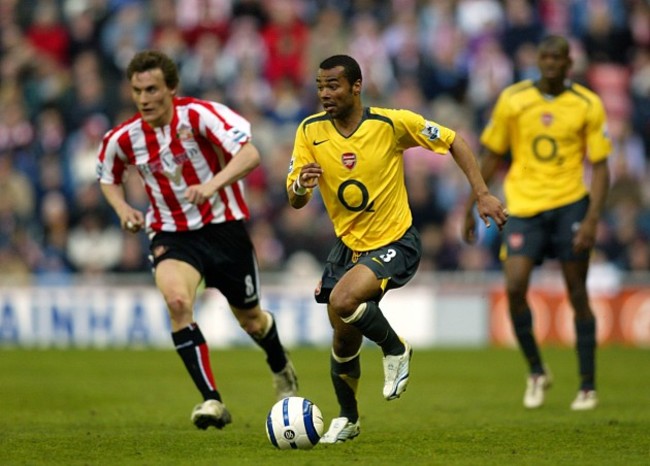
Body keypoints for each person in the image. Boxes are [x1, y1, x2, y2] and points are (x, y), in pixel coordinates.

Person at [287, 54, 508, 443]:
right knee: (342, 337)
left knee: (342, 301)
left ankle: (395, 348)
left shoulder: (391, 123)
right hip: (347, 248)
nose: (325, 94)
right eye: (320, 86)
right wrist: (302, 185)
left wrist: (483, 193)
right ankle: (348, 418)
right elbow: (295, 200)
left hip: (395, 241)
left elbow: (454, 140)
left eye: (333, 85)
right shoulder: (309, 131)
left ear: (356, 86)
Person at [96, 50, 298, 430]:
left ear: (172, 88)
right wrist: (123, 209)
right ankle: (211, 400)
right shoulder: (123, 138)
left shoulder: (201, 116)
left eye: (153, 89)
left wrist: (212, 185)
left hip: (224, 228)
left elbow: (250, 154)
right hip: (171, 233)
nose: (144, 99)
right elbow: (107, 176)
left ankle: (280, 366)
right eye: (137, 90)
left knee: (252, 321)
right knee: (177, 301)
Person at [463, 35, 611, 411]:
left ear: (568, 64)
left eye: (556, 58)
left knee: (577, 292)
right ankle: (535, 370)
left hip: (569, 206)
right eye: (543, 57)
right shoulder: (513, 99)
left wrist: (593, 217)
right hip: (524, 207)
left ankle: (588, 384)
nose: (549, 64)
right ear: (537, 61)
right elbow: (492, 155)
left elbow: (601, 165)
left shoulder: (586, 104)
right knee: (514, 286)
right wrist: (470, 205)